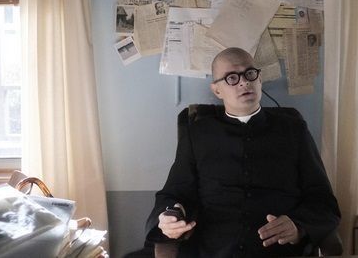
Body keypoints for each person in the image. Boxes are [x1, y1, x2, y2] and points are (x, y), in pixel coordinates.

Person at [145, 47, 340, 257]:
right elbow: (174, 193)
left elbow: (322, 200)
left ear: (260, 79)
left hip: (278, 251)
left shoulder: (293, 130)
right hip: (215, 250)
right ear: (217, 90)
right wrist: (171, 215)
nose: (244, 82)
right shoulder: (198, 134)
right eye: (231, 78)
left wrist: (298, 226)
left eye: (250, 74)